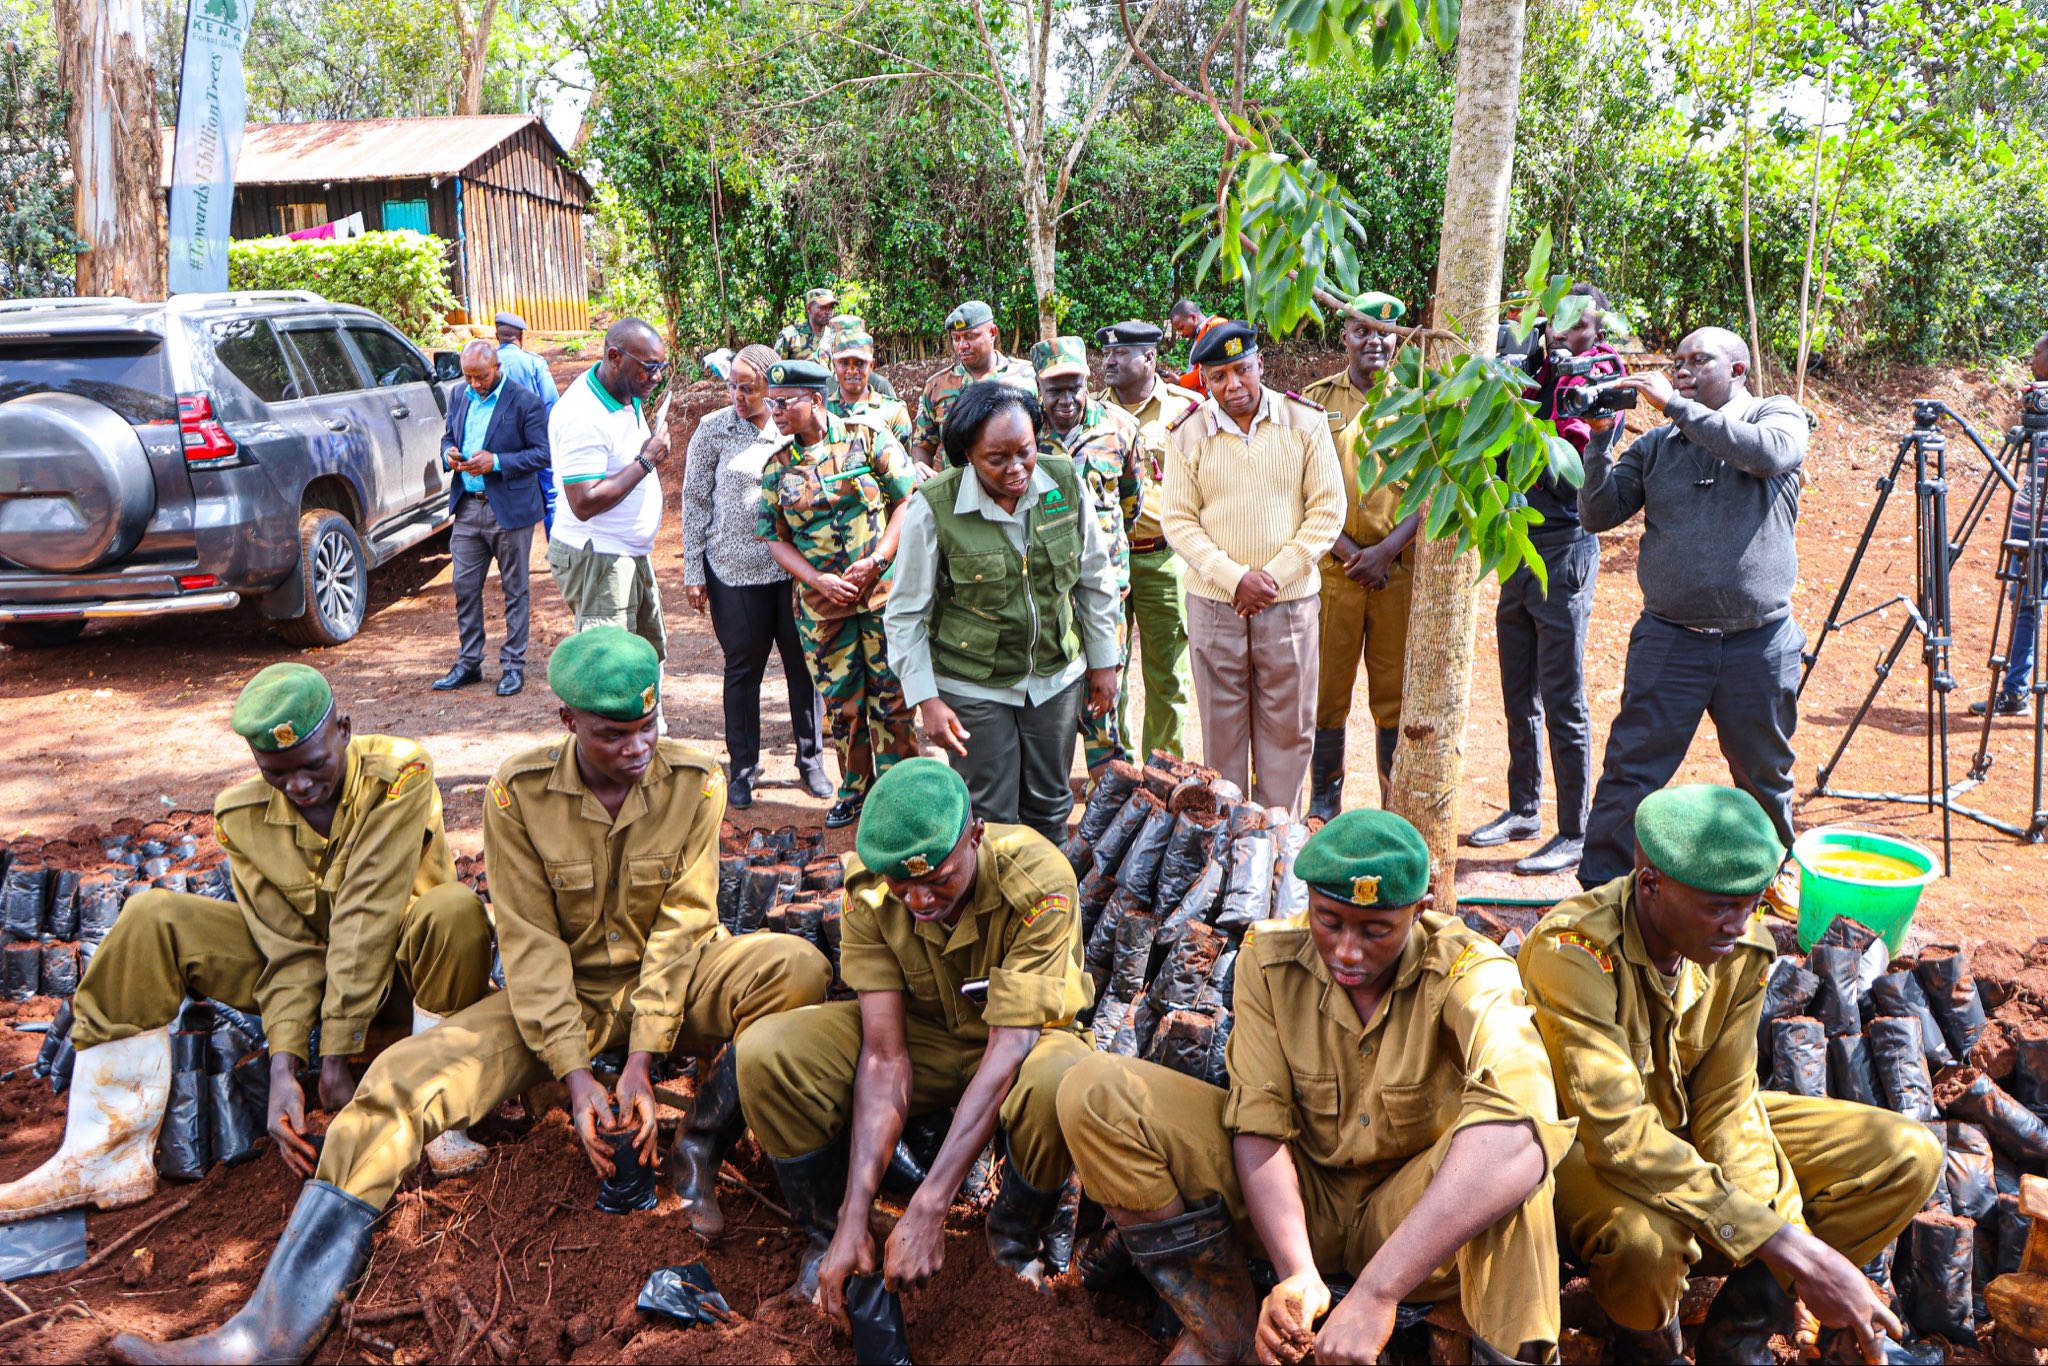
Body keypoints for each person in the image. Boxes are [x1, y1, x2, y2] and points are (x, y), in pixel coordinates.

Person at [106, 631, 833, 1366]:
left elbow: (681, 927)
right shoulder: (517, 795)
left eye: (649, 727)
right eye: (615, 734)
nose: (639, 747)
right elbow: (532, 945)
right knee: (397, 1082)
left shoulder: (697, 782)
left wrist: (643, 1059)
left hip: (679, 983)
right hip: (565, 999)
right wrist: (577, 1076)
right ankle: (270, 1330)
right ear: (567, 723)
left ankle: (702, 1149)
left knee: (794, 965)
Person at [1057, 809, 1572, 1365]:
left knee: (1515, 1178)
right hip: (1301, 1201)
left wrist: (1379, 1291)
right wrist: (1297, 1274)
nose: (1349, 950)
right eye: (1330, 921)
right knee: (1095, 1091)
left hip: (1411, 1217)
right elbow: (1259, 1123)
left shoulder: (1470, 974)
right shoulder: (1270, 961)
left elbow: (1523, 1126)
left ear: (1419, 912)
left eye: (1376, 930)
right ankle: (1224, 1332)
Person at [0, 664, 495, 1227]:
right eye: (277, 773)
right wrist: (285, 1070)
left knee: (452, 909)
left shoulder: (400, 775)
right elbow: (287, 950)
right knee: (152, 916)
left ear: (345, 730)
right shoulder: (242, 816)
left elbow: (367, 913)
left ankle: (440, 1115)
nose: (300, 786)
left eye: (313, 766)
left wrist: (333, 1058)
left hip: (412, 977)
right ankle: (106, 1154)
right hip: (319, 984)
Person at [1519, 784, 1941, 1364]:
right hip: (1584, 1152)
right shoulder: (1573, 952)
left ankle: (1739, 1333)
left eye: (1752, 905)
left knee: (1907, 1154)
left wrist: (1778, 1230)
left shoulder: (1740, 949)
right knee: (1647, 1244)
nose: (1739, 926)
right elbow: (1616, 1134)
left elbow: (1727, 1105)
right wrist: (1786, 1243)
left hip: (1686, 1130)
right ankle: (1647, 1348)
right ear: (1650, 885)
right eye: (1718, 907)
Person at [736, 758, 1096, 1316]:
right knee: (770, 1053)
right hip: (925, 1040)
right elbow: (884, 1056)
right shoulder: (871, 893)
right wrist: (855, 1215)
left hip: (1024, 1045)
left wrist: (929, 1207)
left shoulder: (1039, 881)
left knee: (1057, 1081)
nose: (921, 902)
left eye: (939, 881)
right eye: (904, 887)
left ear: (975, 836)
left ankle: (1009, 1248)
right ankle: (833, 1236)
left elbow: (1011, 1046)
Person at [1574, 327, 1809, 889]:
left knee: (1763, 775)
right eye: (1676, 362)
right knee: (1631, 771)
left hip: (1758, 642)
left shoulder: (1777, 416)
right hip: (1670, 640)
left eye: (1697, 360)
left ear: (1737, 371)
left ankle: (1768, 883)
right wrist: (1600, 442)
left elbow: (1768, 455)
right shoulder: (1657, 446)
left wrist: (1675, 406)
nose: (1681, 370)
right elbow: (1598, 513)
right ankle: (1602, 892)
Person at [886, 380, 1121, 840]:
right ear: (968, 455)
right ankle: (995, 910)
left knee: (1051, 807)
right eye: (997, 459)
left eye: (1025, 451)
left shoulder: (1065, 482)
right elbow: (905, 614)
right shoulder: (934, 507)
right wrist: (926, 699)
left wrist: (1104, 660)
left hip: (1055, 677)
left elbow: (1095, 578)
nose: (1017, 469)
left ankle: (1048, 908)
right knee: (990, 814)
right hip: (972, 684)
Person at [1160, 321, 1344, 812]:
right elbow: (1177, 520)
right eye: (1218, 377)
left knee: (1289, 730)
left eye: (1242, 370)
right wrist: (1234, 579)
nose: (1233, 386)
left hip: (1290, 604)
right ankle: (1232, 847)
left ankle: (1278, 844)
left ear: (1260, 363)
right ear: (1203, 379)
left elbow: (1327, 511)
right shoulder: (1186, 433)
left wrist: (1271, 578)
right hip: (1216, 605)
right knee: (1222, 735)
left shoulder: (1305, 422)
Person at [1468, 283, 1616, 875]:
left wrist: (1547, 386)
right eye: (1554, 320)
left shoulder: (1597, 373)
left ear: (1596, 330)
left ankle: (1574, 831)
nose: (1561, 331)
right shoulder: (1532, 362)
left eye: (1576, 324)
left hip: (1564, 546)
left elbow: (1570, 457)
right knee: (1517, 688)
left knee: (1563, 696)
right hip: (1517, 545)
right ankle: (1523, 807)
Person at [759, 358, 921, 828]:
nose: (776, 412)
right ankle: (855, 791)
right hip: (822, 607)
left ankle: (903, 793)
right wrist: (816, 579)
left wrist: (879, 559)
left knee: (893, 698)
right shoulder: (777, 467)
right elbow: (774, 538)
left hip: (881, 596)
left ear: (815, 399)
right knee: (844, 705)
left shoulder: (865, 437)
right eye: (772, 403)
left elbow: (906, 498)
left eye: (784, 402)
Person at [681, 343, 830, 808]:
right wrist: (693, 570)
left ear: (773, 388)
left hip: (792, 570)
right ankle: (743, 767)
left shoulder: (794, 430)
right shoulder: (713, 430)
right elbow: (695, 500)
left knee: (803, 666)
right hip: (733, 569)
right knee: (742, 668)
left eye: (749, 388)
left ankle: (811, 762)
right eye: (732, 386)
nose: (738, 396)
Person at [1302, 292, 1422, 817]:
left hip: (1396, 575)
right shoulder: (1313, 400)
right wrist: (1351, 554)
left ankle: (1392, 809)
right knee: (1327, 693)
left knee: (1394, 694)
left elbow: (1434, 490)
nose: (1375, 340)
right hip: (1335, 576)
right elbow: (1300, 488)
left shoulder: (1421, 403)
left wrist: (1385, 552)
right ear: (1344, 336)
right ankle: (1324, 805)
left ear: (1398, 339)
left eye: (1386, 332)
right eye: (1363, 331)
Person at [546, 318, 674, 726]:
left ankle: (647, 743)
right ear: (614, 357)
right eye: (648, 367)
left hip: (627, 552)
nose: (656, 377)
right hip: (598, 558)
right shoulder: (581, 414)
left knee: (644, 655)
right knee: (609, 670)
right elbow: (583, 501)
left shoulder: (625, 391)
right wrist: (646, 460)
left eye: (661, 367)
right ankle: (610, 762)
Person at [1033, 335, 1143, 773]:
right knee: (1050, 701)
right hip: (1045, 594)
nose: (1066, 398)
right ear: (1038, 390)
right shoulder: (1022, 432)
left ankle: (1110, 797)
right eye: (1054, 389)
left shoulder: (1118, 427)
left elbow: (1131, 503)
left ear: (1088, 380)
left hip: (1104, 590)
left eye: (1074, 385)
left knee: (1106, 699)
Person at [1096, 320, 1202, 761]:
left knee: (1168, 675)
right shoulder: (1092, 413)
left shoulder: (1189, 408)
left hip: (1163, 558)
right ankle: (1115, 772)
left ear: (1150, 358)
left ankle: (1162, 772)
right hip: (1105, 565)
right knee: (1106, 671)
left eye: (1121, 354)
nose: (1109, 360)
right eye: (1106, 353)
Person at [431, 338, 551, 698]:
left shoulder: (524, 402)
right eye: (468, 377)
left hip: (509, 509)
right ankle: (469, 662)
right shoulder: (458, 396)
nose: (474, 384)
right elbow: (448, 436)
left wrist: (496, 462)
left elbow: (542, 454)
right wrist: (448, 453)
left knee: (515, 589)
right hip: (468, 505)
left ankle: (513, 665)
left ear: (496, 368)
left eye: (480, 377)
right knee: (464, 587)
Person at [1972, 331, 2048, 719]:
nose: (2031, 358)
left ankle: (2018, 689)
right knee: (2023, 607)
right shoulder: (2037, 409)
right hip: (2025, 523)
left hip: (2040, 527)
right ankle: (2016, 691)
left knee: (2026, 609)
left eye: (2037, 352)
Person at [908, 299, 1036, 475]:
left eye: (970, 336)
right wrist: (919, 467)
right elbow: (922, 445)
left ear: (992, 332)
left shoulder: (1026, 376)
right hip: (960, 490)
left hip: (1013, 481)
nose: (962, 346)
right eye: (956, 338)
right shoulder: (937, 386)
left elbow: (1043, 436)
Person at [495, 311, 559, 534]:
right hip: (536, 444)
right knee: (552, 497)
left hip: (500, 448)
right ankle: (558, 556)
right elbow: (551, 403)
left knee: (503, 500)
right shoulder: (534, 363)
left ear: (497, 336)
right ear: (520, 337)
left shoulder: (486, 364)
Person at [824, 316, 912, 444]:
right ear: (834, 364)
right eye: (844, 363)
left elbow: (904, 459)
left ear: (871, 365)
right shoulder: (821, 411)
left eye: (860, 363)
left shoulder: (893, 411)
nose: (852, 370)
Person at [1170, 299, 1225, 395]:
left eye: (1181, 328)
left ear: (1193, 317)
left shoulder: (1216, 325)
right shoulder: (1201, 333)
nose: (1181, 334)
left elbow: (1212, 369)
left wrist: (1180, 381)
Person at [775, 286, 840, 363]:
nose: (828, 312)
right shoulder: (790, 336)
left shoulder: (835, 337)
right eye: (823, 308)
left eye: (831, 308)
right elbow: (776, 370)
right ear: (809, 309)